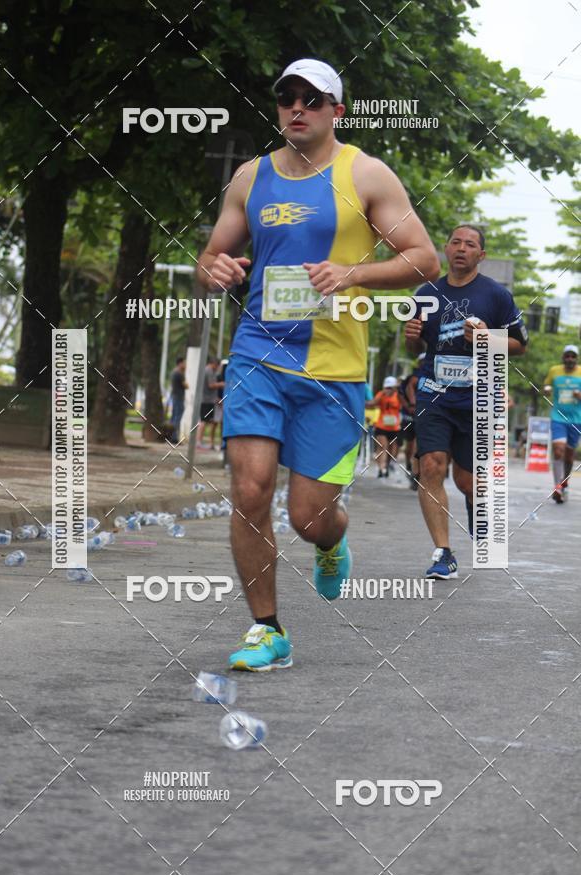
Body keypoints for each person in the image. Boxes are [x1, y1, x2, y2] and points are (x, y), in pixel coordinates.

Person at [197, 58, 439, 671]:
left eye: (312, 98)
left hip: (333, 369)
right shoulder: (250, 178)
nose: (296, 107)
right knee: (249, 491)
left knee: (309, 517)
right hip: (257, 353)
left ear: (339, 109)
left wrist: (351, 274)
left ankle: (332, 541)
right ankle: (266, 629)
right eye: (286, 97)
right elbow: (212, 256)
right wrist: (213, 268)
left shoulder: (366, 173)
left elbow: (423, 259)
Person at [405, 224, 527, 579]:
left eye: (470, 244)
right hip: (434, 392)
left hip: (478, 398)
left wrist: (488, 338)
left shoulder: (496, 296)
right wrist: (411, 337)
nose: (461, 248)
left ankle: (479, 516)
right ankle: (443, 553)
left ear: (481, 255)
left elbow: (519, 345)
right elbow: (415, 348)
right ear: (445, 248)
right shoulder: (426, 293)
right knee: (431, 465)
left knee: (467, 481)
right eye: (455, 242)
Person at [543, 344, 581, 503]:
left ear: (576, 359)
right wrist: (546, 390)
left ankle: (565, 484)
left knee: (569, 455)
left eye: (573, 356)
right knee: (558, 451)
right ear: (563, 357)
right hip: (558, 417)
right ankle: (557, 487)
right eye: (567, 356)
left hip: (576, 420)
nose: (570, 359)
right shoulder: (554, 370)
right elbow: (547, 385)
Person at [366, 375, 401, 477]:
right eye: (387, 387)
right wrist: (361, 403)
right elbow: (372, 404)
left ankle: (387, 466)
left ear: (395, 388)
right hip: (381, 426)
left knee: (391, 450)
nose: (388, 389)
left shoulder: (399, 396)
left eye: (390, 387)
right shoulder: (381, 394)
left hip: (395, 427)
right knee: (382, 447)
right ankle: (382, 469)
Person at [399, 352, 425, 489]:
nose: (424, 363)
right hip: (409, 416)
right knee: (409, 446)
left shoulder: (435, 374)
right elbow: (402, 394)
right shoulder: (411, 378)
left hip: (425, 416)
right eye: (422, 361)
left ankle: (416, 475)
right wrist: (411, 405)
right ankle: (410, 465)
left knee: (417, 445)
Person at [197, 357, 224, 450]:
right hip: (206, 400)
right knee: (203, 421)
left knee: (208, 420)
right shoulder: (209, 371)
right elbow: (211, 385)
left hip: (209, 399)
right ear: (214, 363)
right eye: (218, 366)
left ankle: (203, 442)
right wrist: (222, 384)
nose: (218, 368)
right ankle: (199, 442)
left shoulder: (209, 370)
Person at [170, 357, 188, 443]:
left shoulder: (174, 372)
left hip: (175, 396)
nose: (185, 365)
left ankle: (170, 435)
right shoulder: (179, 373)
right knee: (177, 417)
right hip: (179, 398)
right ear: (180, 363)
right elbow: (186, 386)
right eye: (184, 363)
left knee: (174, 417)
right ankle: (174, 437)